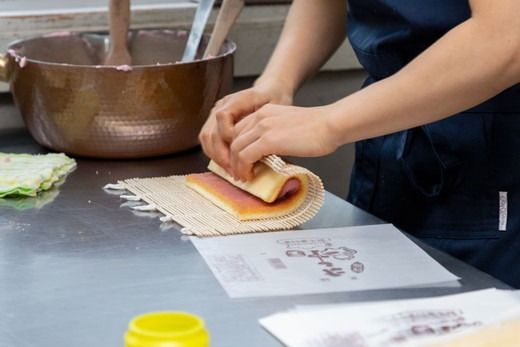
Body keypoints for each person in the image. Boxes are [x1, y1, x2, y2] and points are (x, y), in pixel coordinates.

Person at [199, 1, 520, 287]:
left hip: (492, 161)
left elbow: (508, 36)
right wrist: (277, 82)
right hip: (384, 140)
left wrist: (329, 123)